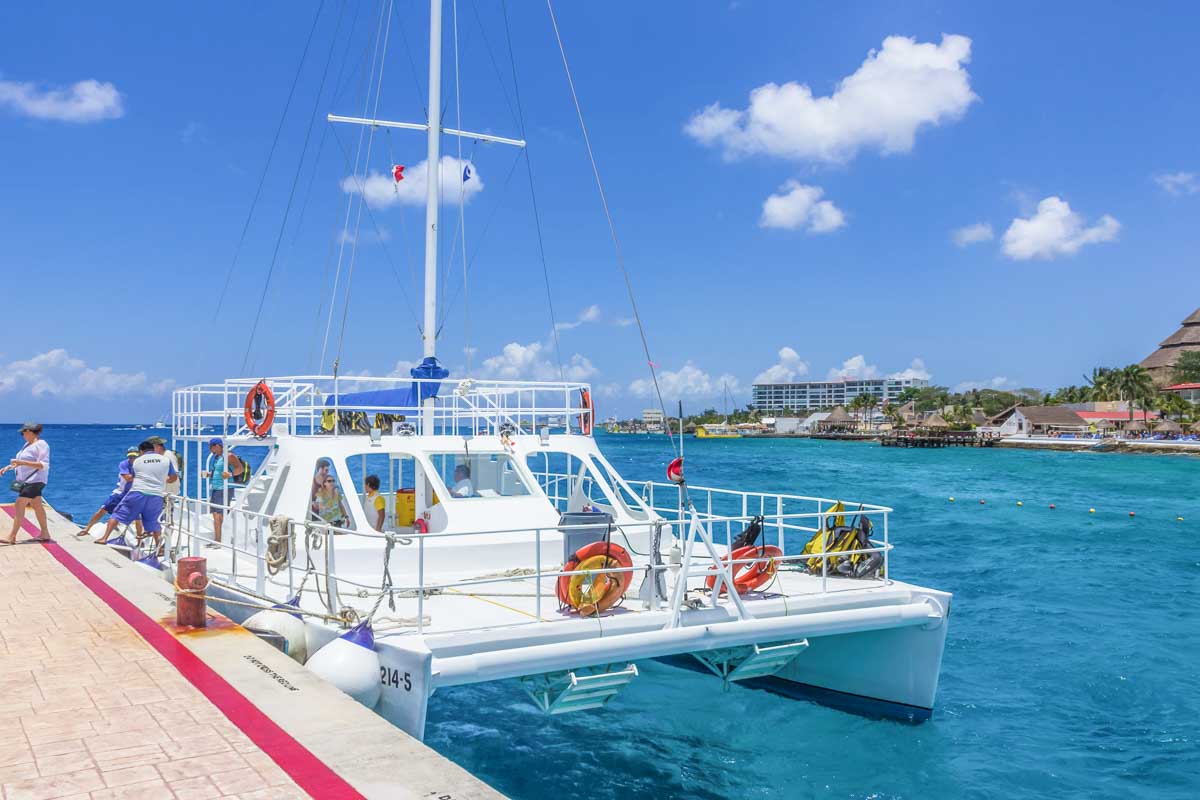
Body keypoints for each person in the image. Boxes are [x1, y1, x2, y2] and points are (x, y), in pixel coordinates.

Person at [96, 441, 177, 547]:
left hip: (138, 492)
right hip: (156, 495)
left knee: (117, 514)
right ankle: (159, 547)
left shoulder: (137, 461)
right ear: (153, 449)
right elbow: (173, 477)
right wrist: (162, 480)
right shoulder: (166, 460)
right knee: (154, 522)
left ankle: (104, 538)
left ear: (141, 451)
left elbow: (134, 477)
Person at [1, 422, 51, 544]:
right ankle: (45, 533)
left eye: (23, 433)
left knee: (19, 503)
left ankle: (12, 536)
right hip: (27, 481)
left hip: (35, 480)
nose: (22, 435)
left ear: (29, 431)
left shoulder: (42, 444)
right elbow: (20, 462)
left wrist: (21, 462)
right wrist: (8, 467)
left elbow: (43, 465)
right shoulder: (27, 445)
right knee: (37, 505)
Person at [79, 447, 139, 537]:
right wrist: (143, 477)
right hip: (121, 492)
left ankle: (139, 540)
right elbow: (128, 478)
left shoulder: (141, 465)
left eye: (134, 456)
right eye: (130, 456)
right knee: (102, 510)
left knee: (138, 517)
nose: (132, 458)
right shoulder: (124, 464)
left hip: (133, 494)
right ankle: (87, 528)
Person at [201, 437, 232, 546]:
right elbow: (218, 471)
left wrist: (230, 475)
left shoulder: (228, 456)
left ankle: (220, 541)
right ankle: (217, 540)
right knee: (215, 515)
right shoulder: (217, 457)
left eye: (211, 447)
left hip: (223, 488)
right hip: (216, 488)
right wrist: (209, 474)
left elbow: (239, 469)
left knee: (219, 515)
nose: (210, 449)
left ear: (217, 446)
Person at [147, 436, 181, 532]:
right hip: (163, 491)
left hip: (168, 492)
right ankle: (164, 539)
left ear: (157, 446)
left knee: (166, 516)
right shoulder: (161, 456)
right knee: (162, 515)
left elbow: (174, 476)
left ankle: (167, 540)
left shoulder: (168, 456)